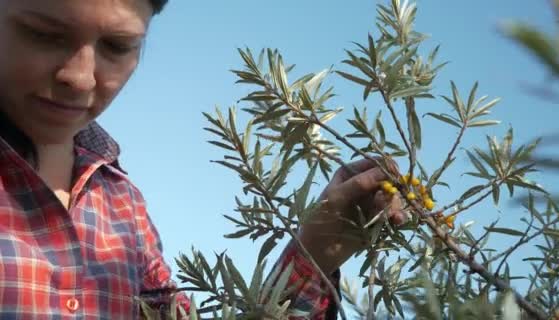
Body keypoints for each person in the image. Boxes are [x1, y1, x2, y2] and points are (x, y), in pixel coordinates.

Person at [0, 1, 406, 319]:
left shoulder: (121, 202)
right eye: (44, 34)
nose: (81, 76)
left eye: (117, 46)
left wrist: (317, 249)